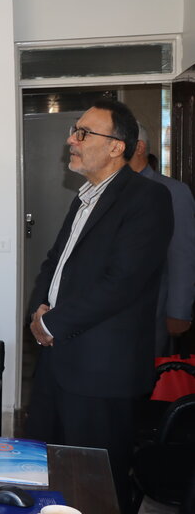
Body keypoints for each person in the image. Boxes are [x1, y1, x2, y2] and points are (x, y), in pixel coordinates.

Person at [26, 99, 173, 513]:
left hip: (101, 372)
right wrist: (38, 310)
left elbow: (122, 283)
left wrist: (52, 324)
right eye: (74, 131)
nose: (71, 140)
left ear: (116, 146)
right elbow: (54, 262)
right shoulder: (84, 197)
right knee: (47, 471)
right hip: (56, 360)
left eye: (83, 133)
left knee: (96, 487)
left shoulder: (148, 198)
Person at [129, 123, 195, 355]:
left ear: (139, 148)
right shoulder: (107, 190)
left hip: (153, 310)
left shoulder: (172, 192)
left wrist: (179, 312)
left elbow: (182, 257)